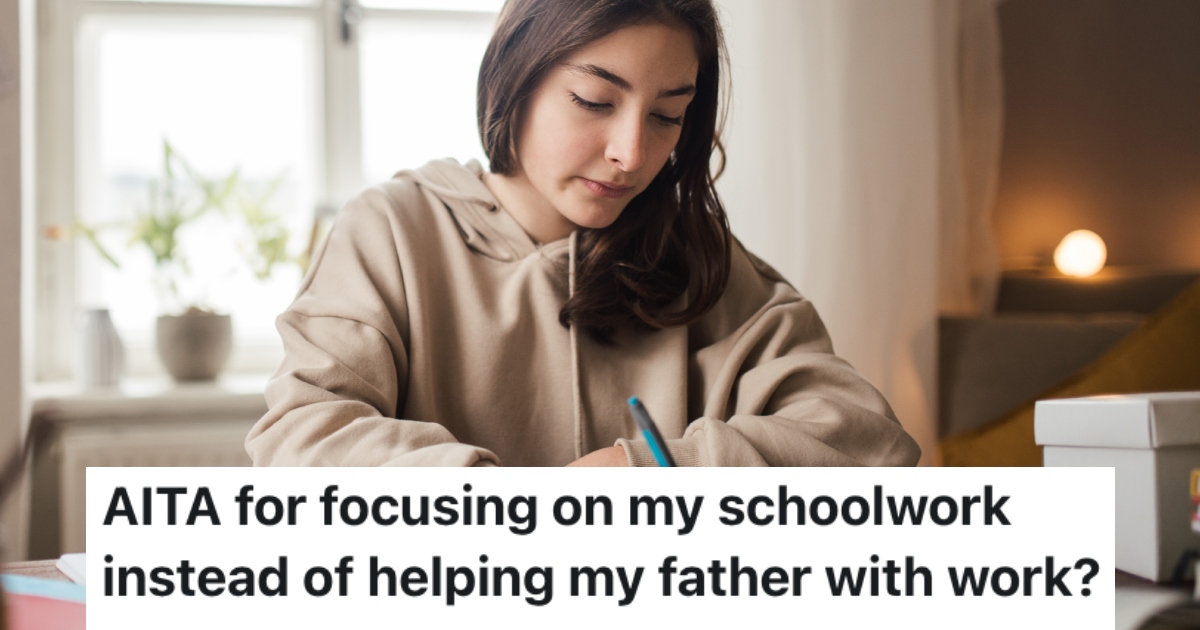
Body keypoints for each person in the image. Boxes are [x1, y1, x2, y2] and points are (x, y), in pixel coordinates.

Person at [246, 0, 921, 468]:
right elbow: (302, 438)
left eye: (666, 115)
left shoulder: (699, 262)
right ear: (517, 74)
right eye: (595, 102)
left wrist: (658, 478)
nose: (631, 151)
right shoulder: (392, 232)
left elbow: (869, 446)